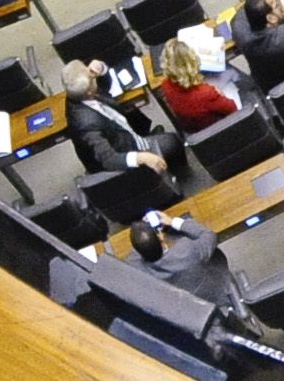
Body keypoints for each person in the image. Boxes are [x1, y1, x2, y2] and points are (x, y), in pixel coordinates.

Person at [61, 59, 175, 194]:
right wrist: (142, 158)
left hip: (122, 132)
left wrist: (101, 68)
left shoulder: (79, 95)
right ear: (90, 92)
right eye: (92, 77)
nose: (92, 73)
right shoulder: (86, 127)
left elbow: (105, 86)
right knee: (172, 142)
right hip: (124, 151)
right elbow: (109, 160)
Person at [129, 212, 236, 308]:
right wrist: (172, 221)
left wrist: (144, 238)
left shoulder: (135, 269)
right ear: (161, 236)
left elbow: (136, 255)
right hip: (214, 294)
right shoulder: (186, 250)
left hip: (185, 307)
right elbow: (209, 235)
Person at [152, 35, 238, 130]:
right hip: (213, 128)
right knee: (231, 73)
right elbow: (232, 108)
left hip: (191, 127)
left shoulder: (165, 85)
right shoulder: (206, 93)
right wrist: (218, 93)